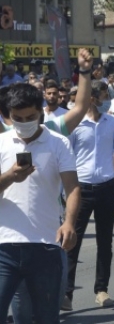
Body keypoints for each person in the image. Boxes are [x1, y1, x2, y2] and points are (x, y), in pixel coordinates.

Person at [0, 84, 80, 323]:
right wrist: (9, 177)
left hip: (45, 245)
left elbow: (73, 187)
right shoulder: (1, 143)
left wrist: (69, 223)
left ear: (41, 113)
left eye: (30, 117)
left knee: (46, 317)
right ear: (8, 116)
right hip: (4, 247)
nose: (24, 122)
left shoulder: (58, 143)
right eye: (18, 118)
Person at [66, 81, 114, 308]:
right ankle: (66, 293)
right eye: (104, 96)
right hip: (80, 190)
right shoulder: (75, 125)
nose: (107, 100)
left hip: (106, 187)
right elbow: (65, 158)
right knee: (72, 242)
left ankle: (102, 290)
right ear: (92, 97)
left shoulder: (112, 123)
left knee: (105, 242)